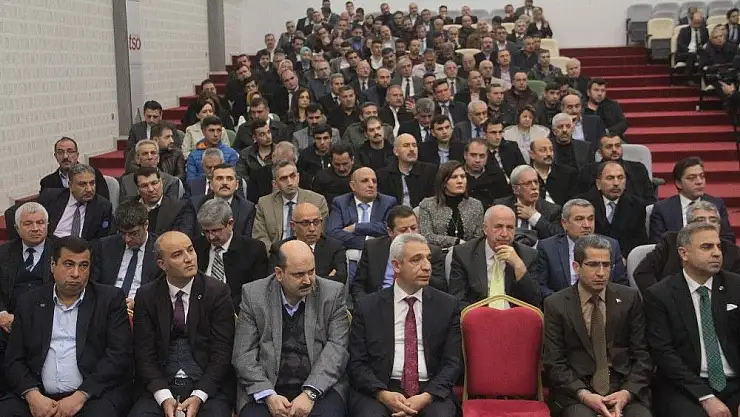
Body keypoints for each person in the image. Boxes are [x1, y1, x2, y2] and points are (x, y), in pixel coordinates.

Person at [0, 237, 133, 416]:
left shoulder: (109, 300)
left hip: (92, 395)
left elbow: (118, 355)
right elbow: (14, 358)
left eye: (83, 266)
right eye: (69, 264)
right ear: (52, 265)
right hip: (38, 393)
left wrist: (81, 395)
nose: (76, 273)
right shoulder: (29, 302)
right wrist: (32, 395)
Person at [348, 233, 462, 417]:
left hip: (430, 389)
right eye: (416, 260)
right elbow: (357, 363)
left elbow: (452, 363)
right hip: (381, 387)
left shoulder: (447, 305)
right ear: (396, 265)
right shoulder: (368, 307)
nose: (426, 266)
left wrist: (426, 397)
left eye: (428, 259)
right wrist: (383, 394)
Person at [233, 240, 350, 417]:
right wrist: (268, 395)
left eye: (311, 271)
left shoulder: (332, 294)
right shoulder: (254, 295)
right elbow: (243, 355)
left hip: (321, 385)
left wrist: (310, 393)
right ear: (279, 274)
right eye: (299, 274)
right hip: (267, 386)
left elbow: (337, 350)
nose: (308, 280)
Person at [543, 234, 652, 417]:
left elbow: (642, 355)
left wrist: (626, 393)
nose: (601, 272)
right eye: (593, 265)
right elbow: (554, 362)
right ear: (576, 267)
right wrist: (584, 395)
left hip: (623, 388)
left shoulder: (629, 298)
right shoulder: (556, 304)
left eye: (606, 265)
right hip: (577, 392)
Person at [128, 231, 236, 417]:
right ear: (162, 264)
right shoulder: (147, 295)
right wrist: (164, 397)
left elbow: (222, 353)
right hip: (160, 384)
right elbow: (144, 354)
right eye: (178, 255)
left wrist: (199, 395)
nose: (189, 259)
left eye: (190, 250)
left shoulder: (217, 292)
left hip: (207, 385)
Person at [644, 222, 740, 417]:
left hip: (735, 382)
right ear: (684, 253)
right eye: (707, 247)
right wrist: (706, 397)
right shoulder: (660, 295)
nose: (716, 253)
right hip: (685, 386)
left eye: (718, 246)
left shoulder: (736, 286)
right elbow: (663, 353)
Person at [634, 200, 740, 293]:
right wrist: (662, 298)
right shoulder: (670, 242)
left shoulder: (733, 252)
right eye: (700, 220)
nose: (708, 224)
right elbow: (643, 273)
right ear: (689, 225)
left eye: (713, 220)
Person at [449, 205, 542, 309]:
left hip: (514, 316)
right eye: (498, 227)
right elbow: (458, 301)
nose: (505, 234)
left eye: (510, 227)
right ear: (485, 229)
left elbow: (534, 303)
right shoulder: (463, 254)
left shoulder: (528, 255)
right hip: (478, 315)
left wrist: (519, 266)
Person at [534, 199, 629, 299]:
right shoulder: (548, 247)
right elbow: (541, 287)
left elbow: (621, 285)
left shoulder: (612, 245)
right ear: (564, 223)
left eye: (590, 219)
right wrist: (562, 303)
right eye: (579, 219)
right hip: (563, 305)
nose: (587, 225)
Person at [352, 205, 447, 303]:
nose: (410, 234)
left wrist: (422, 273)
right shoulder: (372, 248)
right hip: (378, 303)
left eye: (413, 228)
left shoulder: (431, 252)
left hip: (416, 303)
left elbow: (440, 287)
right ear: (390, 232)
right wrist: (367, 305)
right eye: (403, 230)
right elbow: (358, 285)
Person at [194, 199, 268, 311]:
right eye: (206, 232)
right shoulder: (196, 246)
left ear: (230, 224)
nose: (211, 237)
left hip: (237, 311)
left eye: (216, 230)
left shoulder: (253, 249)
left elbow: (255, 292)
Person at [92, 200, 159, 310]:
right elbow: (94, 284)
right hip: (107, 306)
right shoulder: (104, 246)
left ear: (146, 225)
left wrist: (138, 303)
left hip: (142, 309)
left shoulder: (159, 249)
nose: (127, 239)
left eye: (133, 233)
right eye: (123, 233)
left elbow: (161, 291)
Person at [649, 157, 734, 243]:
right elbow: (658, 243)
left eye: (702, 176)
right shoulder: (663, 209)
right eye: (692, 178)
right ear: (678, 183)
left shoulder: (717, 204)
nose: (699, 182)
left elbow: (728, 239)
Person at [0, 203, 54, 335]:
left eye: (40, 223)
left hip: (48, 320)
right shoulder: (4, 252)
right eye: (28, 224)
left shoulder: (60, 250)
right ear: (17, 228)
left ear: (47, 225)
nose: (35, 228)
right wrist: (2, 313)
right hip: (8, 321)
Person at [252, 160, 329, 251]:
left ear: (298, 177)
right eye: (283, 178)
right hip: (275, 253)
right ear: (275, 184)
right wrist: (277, 254)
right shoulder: (264, 203)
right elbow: (260, 237)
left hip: (308, 253)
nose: (289, 183)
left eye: (292, 176)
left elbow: (320, 235)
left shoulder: (317, 201)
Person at [269, 202, 347, 284]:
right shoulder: (280, 248)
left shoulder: (335, 247)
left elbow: (340, 280)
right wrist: (325, 280)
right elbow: (274, 282)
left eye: (316, 222)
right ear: (293, 226)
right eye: (305, 223)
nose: (312, 229)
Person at [326, 167, 397, 251]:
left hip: (379, 252)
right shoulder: (341, 202)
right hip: (349, 251)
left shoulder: (388, 202)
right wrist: (367, 243)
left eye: (374, 181)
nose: (371, 185)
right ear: (353, 186)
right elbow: (333, 233)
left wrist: (356, 227)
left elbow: (389, 228)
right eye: (365, 181)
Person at [418, 161, 485, 249]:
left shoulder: (476, 205)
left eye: (463, 176)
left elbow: (479, 237)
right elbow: (427, 236)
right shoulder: (427, 205)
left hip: (468, 253)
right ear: (443, 182)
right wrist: (456, 242)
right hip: (438, 254)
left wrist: (464, 248)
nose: (460, 181)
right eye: (454, 177)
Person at [37, 163, 112, 241]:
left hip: (82, 247)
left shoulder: (103, 206)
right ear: (70, 185)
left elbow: (100, 240)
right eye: (82, 184)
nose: (89, 189)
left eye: (92, 183)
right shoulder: (50, 197)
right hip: (52, 244)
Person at [493, 165, 563, 243]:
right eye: (527, 184)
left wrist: (534, 217)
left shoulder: (553, 210)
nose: (534, 187)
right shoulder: (501, 206)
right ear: (515, 189)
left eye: (536, 182)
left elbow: (559, 239)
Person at [191, 164, 256, 238]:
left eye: (229, 179)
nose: (225, 182)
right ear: (211, 184)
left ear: (237, 185)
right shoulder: (195, 204)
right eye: (219, 178)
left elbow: (247, 240)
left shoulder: (248, 208)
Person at [39, 136, 110, 201]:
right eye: (60, 152)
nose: (65, 156)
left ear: (77, 155)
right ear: (55, 156)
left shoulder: (93, 174)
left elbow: (104, 204)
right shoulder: (47, 183)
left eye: (70, 151)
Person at [376, 134, 437, 208]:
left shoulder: (430, 171)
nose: (411, 149)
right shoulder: (383, 175)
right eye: (406, 145)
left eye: (414, 145)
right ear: (396, 151)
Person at [132, 166, 195, 237]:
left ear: (161, 183)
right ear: (137, 189)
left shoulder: (180, 207)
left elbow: (181, 238)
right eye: (144, 186)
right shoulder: (128, 207)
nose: (151, 189)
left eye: (154, 183)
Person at [119, 139, 184, 201]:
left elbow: (172, 206)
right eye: (145, 153)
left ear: (158, 158)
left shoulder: (171, 182)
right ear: (137, 159)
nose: (150, 157)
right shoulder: (125, 181)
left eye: (153, 153)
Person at [185, 116, 239, 181]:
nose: (216, 134)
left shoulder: (231, 154)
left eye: (219, 130)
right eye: (211, 130)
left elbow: (232, 179)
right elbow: (191, 181)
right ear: (203, 131)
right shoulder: (193, 155)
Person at [463, 139, 511, 208]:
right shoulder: (456, 175)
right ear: (465, 155)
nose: (477, 160)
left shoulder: (497, 175)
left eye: (482, 156)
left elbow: (505, 201)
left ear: (487, 156)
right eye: (473, 155)